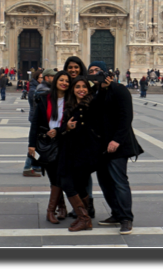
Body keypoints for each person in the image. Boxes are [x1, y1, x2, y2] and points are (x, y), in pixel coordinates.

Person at [88, 62, 144, 235]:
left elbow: (126, 117)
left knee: (119, 181)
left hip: (117, 145)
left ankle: (126, 218)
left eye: (98, 71)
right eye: (91, 72)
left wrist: (117, 141)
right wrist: (102, 89)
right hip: (101, 146)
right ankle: (116, 213)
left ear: (106, 72)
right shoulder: (96, 92)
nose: (95, 74)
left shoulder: (120, 90)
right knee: (105, 182)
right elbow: (94, 110)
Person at [57, 76, 107, 231]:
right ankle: (83, 217)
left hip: (85, 151)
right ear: (72, 89)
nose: (81, 90)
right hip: (70, 149)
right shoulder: (70, 104)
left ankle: (84, 218)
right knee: (74, 184)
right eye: (77, 86)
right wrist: (67, 127)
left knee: (73, 183)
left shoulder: (92, 104)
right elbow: (65, 126)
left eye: (84, 87)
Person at [28, 71, 71, 224]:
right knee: (54, 176)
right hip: (48, 144)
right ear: (55, 81)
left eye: (67, 80)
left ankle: (52, 210)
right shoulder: (45, 99)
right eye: (61, 80)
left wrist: (60, 130)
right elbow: (35, 123)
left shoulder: (71, 100)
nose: (64, 83)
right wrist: (31, 144)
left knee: (62, 176)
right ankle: (60, 207)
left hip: (66, 142)